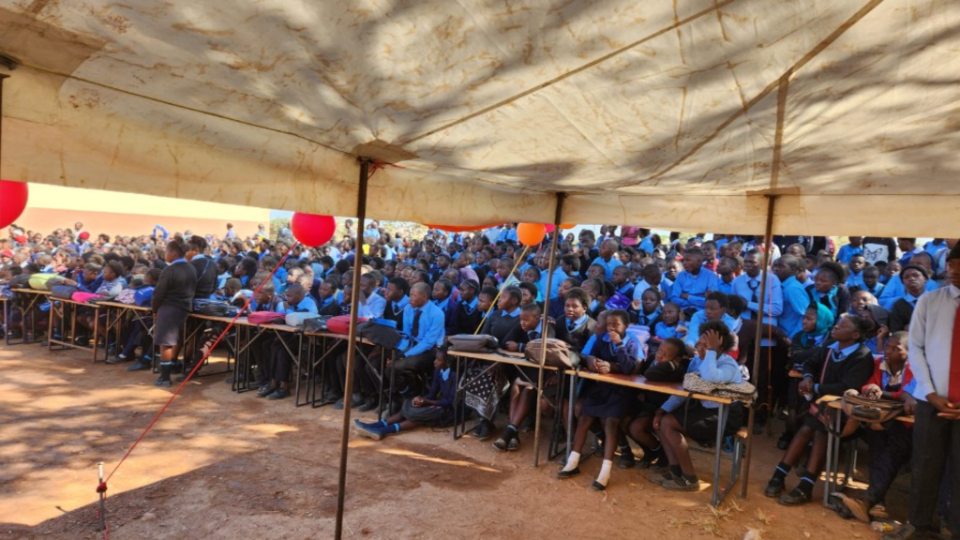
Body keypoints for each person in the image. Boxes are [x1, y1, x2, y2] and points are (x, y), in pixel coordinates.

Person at [882, 244, 960, 540]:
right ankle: (919, 524)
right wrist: (928, 393)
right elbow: (916, 348)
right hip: (932, 399)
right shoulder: (931, 301)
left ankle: (954, 528)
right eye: (953, 265)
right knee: (926, 463)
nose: (956, 271)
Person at [764, 314, 874, 506]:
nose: (836, 327)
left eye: (842, 326)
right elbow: (810, 363)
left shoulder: (862, 356)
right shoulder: (831, 346)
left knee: (818, 430)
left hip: (847, 414)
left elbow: (847, 386)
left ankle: (800, 483)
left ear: (855, 334)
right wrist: (807, 377)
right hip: (823, 408)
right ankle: (783, 476)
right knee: (810, 428)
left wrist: (815, 387)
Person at [650, 321, 745, 491]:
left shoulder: (728, 365)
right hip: (704, 409)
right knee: (661, 421)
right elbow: (685, 390)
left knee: (668, 424)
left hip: (725, 414)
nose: (698, 348)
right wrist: (663, 409)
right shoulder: (696, 362)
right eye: (699, 344)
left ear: (718, 347)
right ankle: (676, 472)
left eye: (705, 345)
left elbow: (710, 377)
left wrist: (711, 351)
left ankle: (690, 479)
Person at [838, 331, 917, 523]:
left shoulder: (915, 369)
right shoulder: (877, 364)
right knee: (877, 447)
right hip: (878, 422)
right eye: (887, 347)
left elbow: (910, 398)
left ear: (908, 351)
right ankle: (877, 503)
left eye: (895, 349)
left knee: (893, 450)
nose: (888, 351)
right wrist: (872, 390)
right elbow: (868, 386)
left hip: (906, 428)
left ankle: (869, 501)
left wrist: (887, 394)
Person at [557, 309, 640, 491]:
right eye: (609, 324)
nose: (611, 328)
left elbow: (629, 369)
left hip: (622, 391)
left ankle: (605, 471)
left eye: (616, 325)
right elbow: (590, 357)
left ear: (625, 326)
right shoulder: (601, 339)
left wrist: (618, 347)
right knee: (585, 418)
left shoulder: (632, 342)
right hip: (602, 387)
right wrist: (593, 361)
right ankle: (573, 462)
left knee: (610, 423)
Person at [354, 348, 457, 440]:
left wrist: (427, 401)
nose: (435, 362)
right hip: (439, 403)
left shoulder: (454, 376)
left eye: (438, 360)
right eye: (435, 359)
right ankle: (376, 425)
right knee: (409, 403)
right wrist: (421, 400)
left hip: (450, 410)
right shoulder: (438, 371)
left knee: (421, 416)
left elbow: (449, 402)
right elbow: (432, 393)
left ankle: (383, 431)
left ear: (447, 362)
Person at [495, 303, 556, 451]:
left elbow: (544, 350)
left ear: (537, 318)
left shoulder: (548, 328)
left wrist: (521, 347)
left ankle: (510, 431)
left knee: (528, 389)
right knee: (515, 387)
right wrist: (521, 346)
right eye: (521, 319)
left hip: (545, 371)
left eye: (526, 320)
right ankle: (512, 433)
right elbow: (506, 342)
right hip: (527, 369)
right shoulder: (522, 325)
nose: (522, 322)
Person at [625, 337, 690, 470]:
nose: (659, 356)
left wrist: (670, 364)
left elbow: (650, 374)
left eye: (665, 355)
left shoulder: (675, 370)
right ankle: (651, 451)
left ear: (676, 360)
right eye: (659, 350)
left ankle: (661, 454)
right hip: (646, 402)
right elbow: (641, 376)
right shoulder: (652, 358)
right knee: (623, 422)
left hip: (661, 407)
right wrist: (640, 391)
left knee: (636, 428)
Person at [256, 283, 318, 400]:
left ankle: (284, 386)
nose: (287, 298)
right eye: (286, 296)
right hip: (291, 335)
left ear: (299, 295)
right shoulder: (288, 304)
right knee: (274, 346)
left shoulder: (309, 302)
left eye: (290, 296)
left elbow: (310, 319)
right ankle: (274, 383)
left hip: (305, 338)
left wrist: (288, 311)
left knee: (283, 351)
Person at [151, 239, 197, 387]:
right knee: (174, 341)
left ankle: (165, 377)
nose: (165, 255)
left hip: (169, 307)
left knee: (165, 343)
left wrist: (154, 308)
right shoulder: (191, 268)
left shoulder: (169, 270)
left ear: (174, 253)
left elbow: (159, 293)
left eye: (166, 252)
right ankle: (167, 372)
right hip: (184, 307)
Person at [668, 247, 718, 315]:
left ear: (699, 261)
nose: (684, 263)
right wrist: (696, 301)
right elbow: (674, 299)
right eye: (683, 260)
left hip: (702, 313)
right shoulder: (681, 276)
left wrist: (688, 297)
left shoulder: (710, 276)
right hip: (683, 311)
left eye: (688, 260)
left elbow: (710, 302)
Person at [888, 265, 929, 333]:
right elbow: (896, 331)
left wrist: (911, 327)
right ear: (903, 282)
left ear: (925, 279)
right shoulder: (899, 305)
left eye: (915, 275)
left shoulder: (936, 299)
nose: (911, 278)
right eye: (906, 277)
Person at [555, 287, 597, 352]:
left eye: (574, 306)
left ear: (584, 309)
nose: (570, 309)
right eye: (567, 305)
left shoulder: (591, 326)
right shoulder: (560, 320)